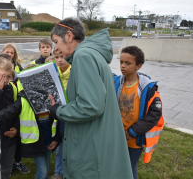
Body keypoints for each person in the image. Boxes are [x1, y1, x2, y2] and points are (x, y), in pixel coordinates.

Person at [48, 18, 133, 178]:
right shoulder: (91, 54)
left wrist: (58, 111)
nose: (56, 48)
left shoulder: (83, 56)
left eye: (56, 41)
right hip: (99, 142)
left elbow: (91, 106)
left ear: (69, 36)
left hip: (91, 149)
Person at [0, 64, 61, 179]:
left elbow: (58, 121)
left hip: (48, 140)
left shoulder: (52, 98)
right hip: (34, 142)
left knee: (46, 167)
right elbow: (10, 111)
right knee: (43, 171)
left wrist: (57, 139)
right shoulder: (24, 99)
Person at [113, 46, 164, 179]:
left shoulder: (148, 88)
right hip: (117, 136)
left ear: (138, 66)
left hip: (134, 139)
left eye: (128, 63)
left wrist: (132, 132)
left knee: (129, 168)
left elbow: (154, 115)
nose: (123, 66)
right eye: (121, 62)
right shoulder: (116, 83)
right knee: (114, 167)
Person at [50, 50, 70, 179]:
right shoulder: (53, 72)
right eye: (56, 57)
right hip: (58, 113)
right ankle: (59, 172)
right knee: (60, 146)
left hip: (71, 113)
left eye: (63, 57)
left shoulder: (75, 72)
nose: (59, 60)